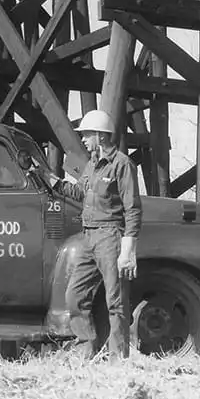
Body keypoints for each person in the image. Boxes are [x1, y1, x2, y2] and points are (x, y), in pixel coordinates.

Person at [45, 110, 142, 359]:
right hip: (88, 237)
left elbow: (133, 209)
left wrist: (128, 250)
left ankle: (118, 357)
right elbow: (79, 193)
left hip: (111, 237)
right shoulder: (93, 165)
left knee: (115, 300)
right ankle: (86, 349)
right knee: (74, 295)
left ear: (100, 135)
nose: (84, 141)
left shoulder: (122, 165)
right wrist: (49, 179)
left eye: (87, 136)